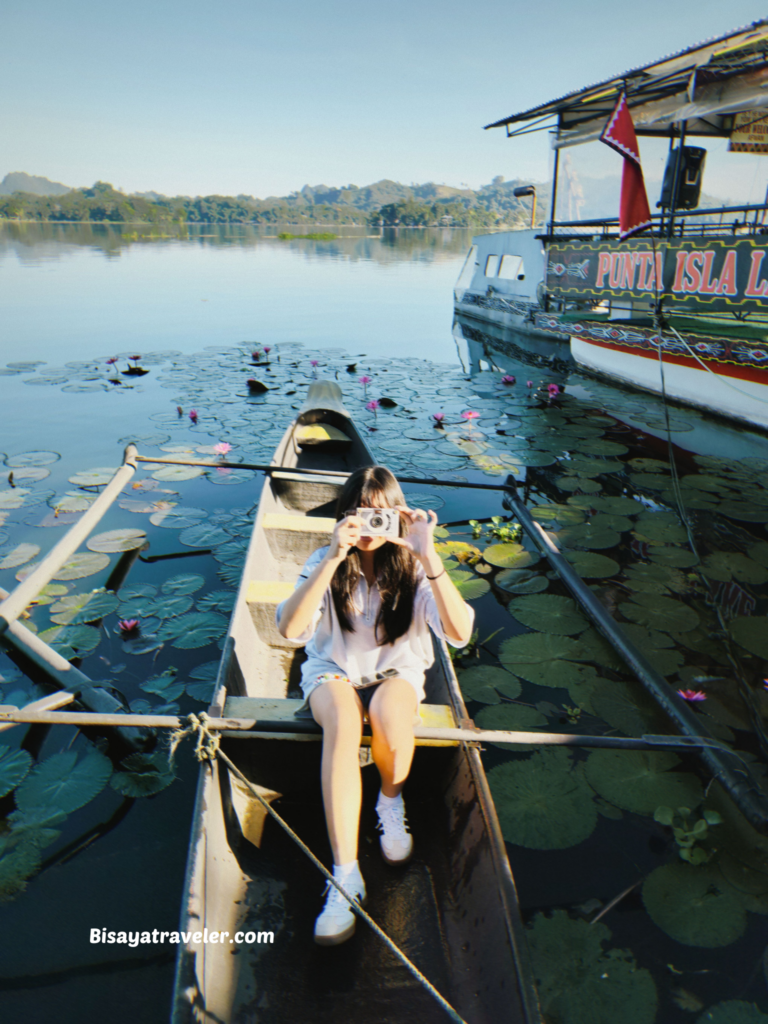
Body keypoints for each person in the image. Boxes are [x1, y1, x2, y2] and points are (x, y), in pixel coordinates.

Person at [276, 465, 474, 946]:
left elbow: (461, 633)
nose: (370, 527)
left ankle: (390, 800)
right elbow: (289, 630)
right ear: (345, 516)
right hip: (333, 672)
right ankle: (345, 875)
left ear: (398, 517)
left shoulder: (412, 567)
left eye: (381, 516)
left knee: (388, 715)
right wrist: (331, 559)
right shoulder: (326, 558)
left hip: (396, 672)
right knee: (344, 723)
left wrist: (430, 558)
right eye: (360, 515)